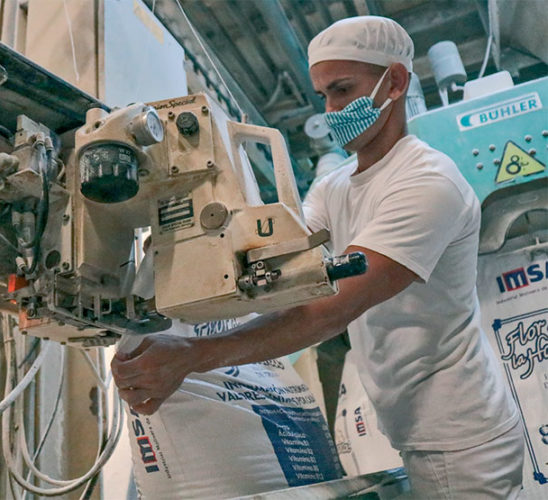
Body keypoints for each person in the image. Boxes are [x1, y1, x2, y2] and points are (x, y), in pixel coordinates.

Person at [112, 16, 524, 499]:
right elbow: (272, 267)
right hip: (417, 429)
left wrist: (192, 357)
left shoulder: (428, 183)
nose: (331, 110)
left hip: (465, 436)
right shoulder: (336, 187)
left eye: (343, 90)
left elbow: (330, 310)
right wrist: (174, 257)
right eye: (324, 95)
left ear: (395, 81)